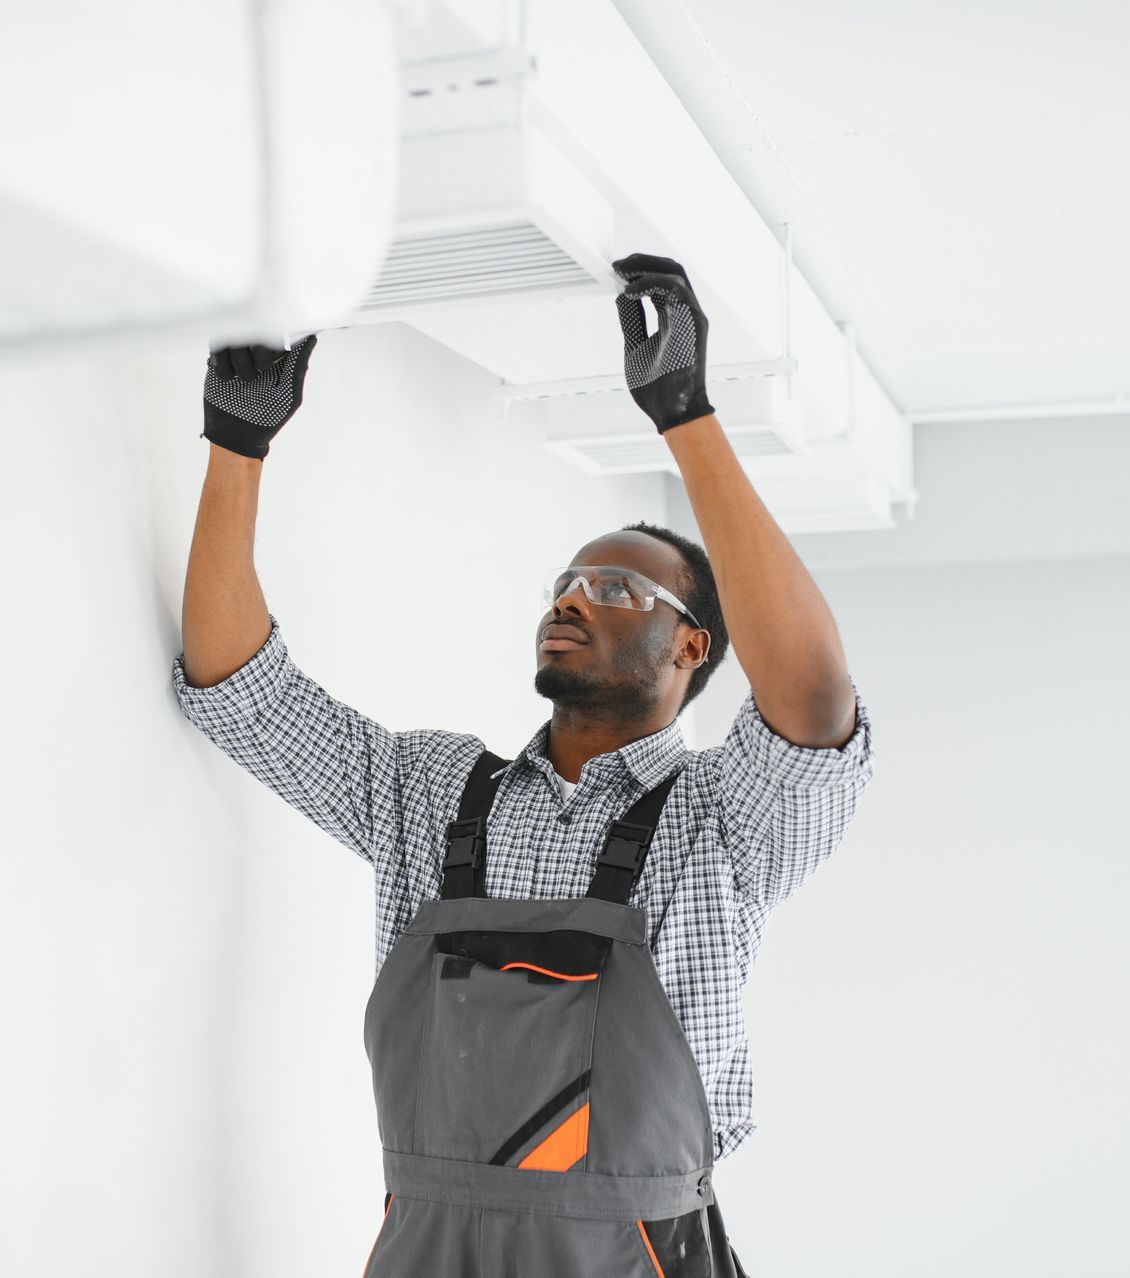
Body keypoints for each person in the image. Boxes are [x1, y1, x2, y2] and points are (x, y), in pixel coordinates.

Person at [173, 253, 873, 1276]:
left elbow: (811, 699)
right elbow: (240, 688)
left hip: (626, 1253)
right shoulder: (430, 792)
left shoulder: (724, 820)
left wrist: (685, 413)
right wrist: (237, 444)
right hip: (430, 1244)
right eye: (563, 583)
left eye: (614, 587)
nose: (571, 599)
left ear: (691, 649)